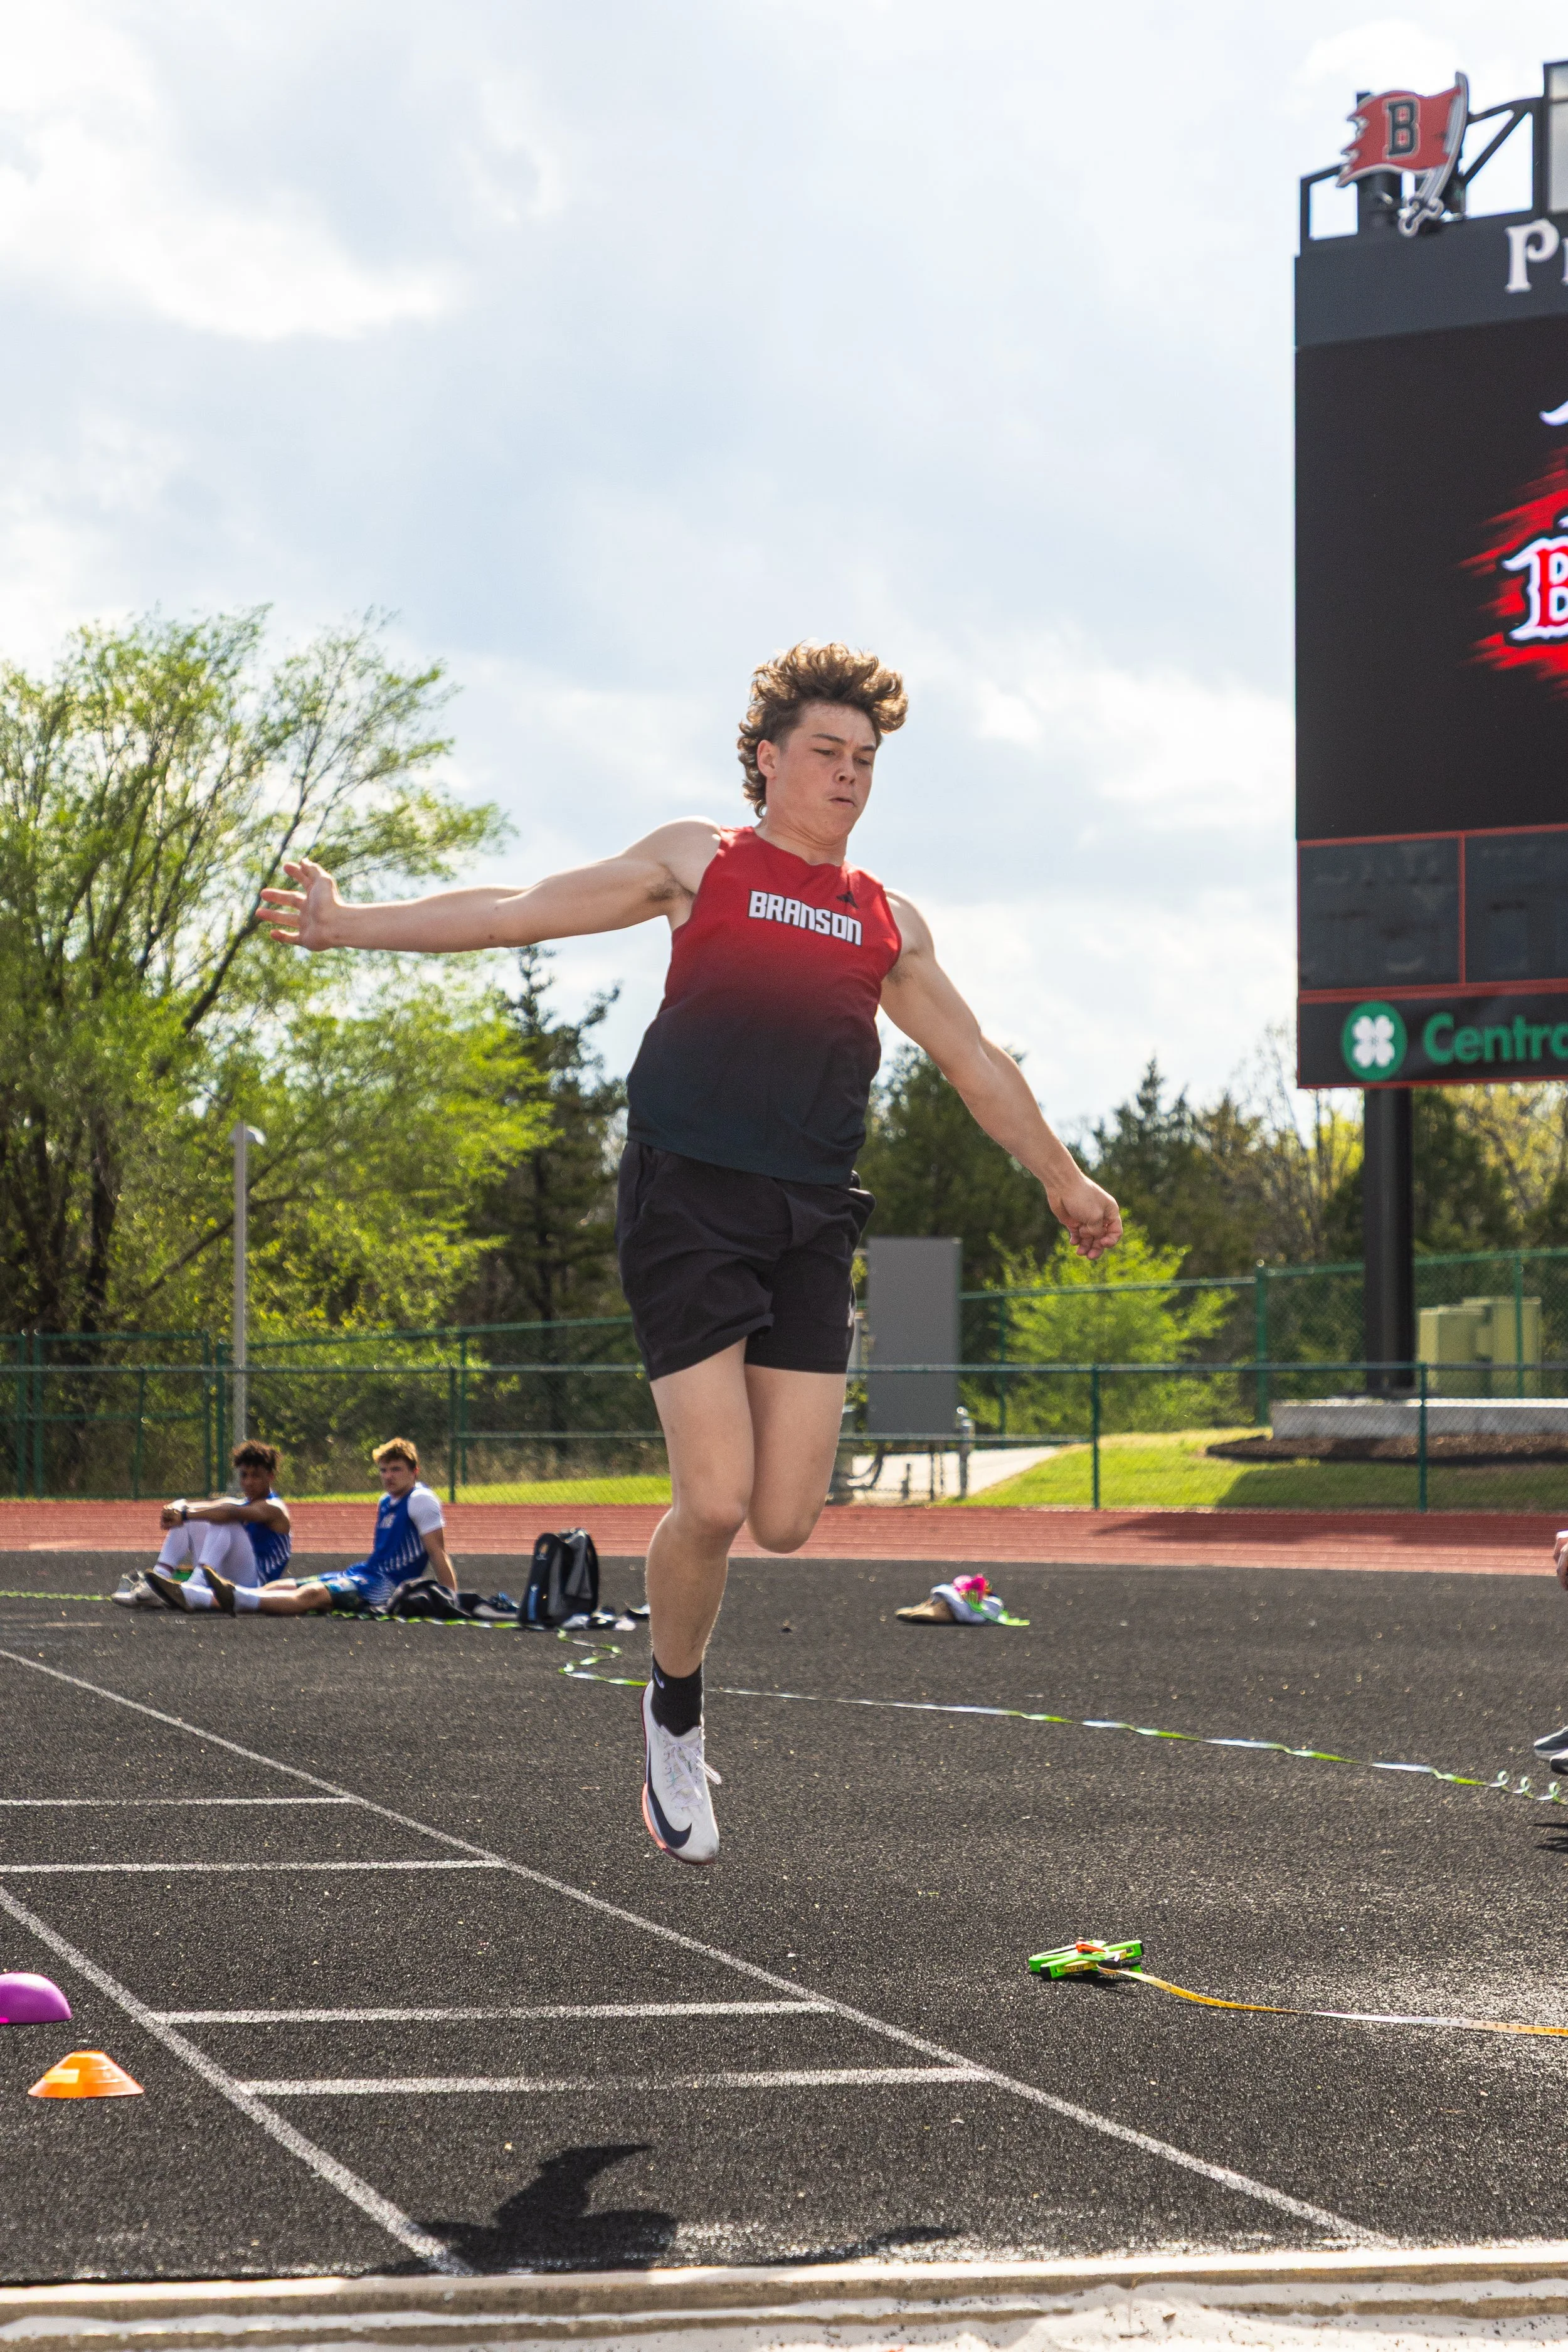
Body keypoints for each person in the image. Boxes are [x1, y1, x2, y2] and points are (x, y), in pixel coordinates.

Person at [258, 641, 1121, 1863]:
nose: (846, 775)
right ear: (765, 759)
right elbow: (517, 912)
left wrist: (1062, 1177)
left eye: (864, 760)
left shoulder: (885, 922)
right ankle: (672, 1711)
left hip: (812, 1217)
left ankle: (682, 1675)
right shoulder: (697, 862)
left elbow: (974, 1063)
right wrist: (352, 928)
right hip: (687, 1201)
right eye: (823, 752)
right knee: (711, 1500)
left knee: (784, 1520)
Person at [206, 1436, 455, 1616]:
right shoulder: (386, 1501)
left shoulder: (420, 1500)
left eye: (396, 1469)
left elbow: (438, 1552)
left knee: (313, 1594)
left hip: (386, 1586)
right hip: (365, 1573)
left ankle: (231, 1599)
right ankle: (219, 1599)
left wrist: (451, 1600)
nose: (388, 1476)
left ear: (415, 1471)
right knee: (280, 1586)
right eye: (384, 1470)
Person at [118, 1442, 292, 1611]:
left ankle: (191, 1589)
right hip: (227, 1580)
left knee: (221, 1518)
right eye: (244, 1475)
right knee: (196, 1518)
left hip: (257, 1586)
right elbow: (208, 1507)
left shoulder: (275, 1508)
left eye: (256, 1476)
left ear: (270, 1476)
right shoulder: (243, 1504)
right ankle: (156, 1582)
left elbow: (229, 1512)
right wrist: (179, 1508)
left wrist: (185, 1513)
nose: (248, 1482)